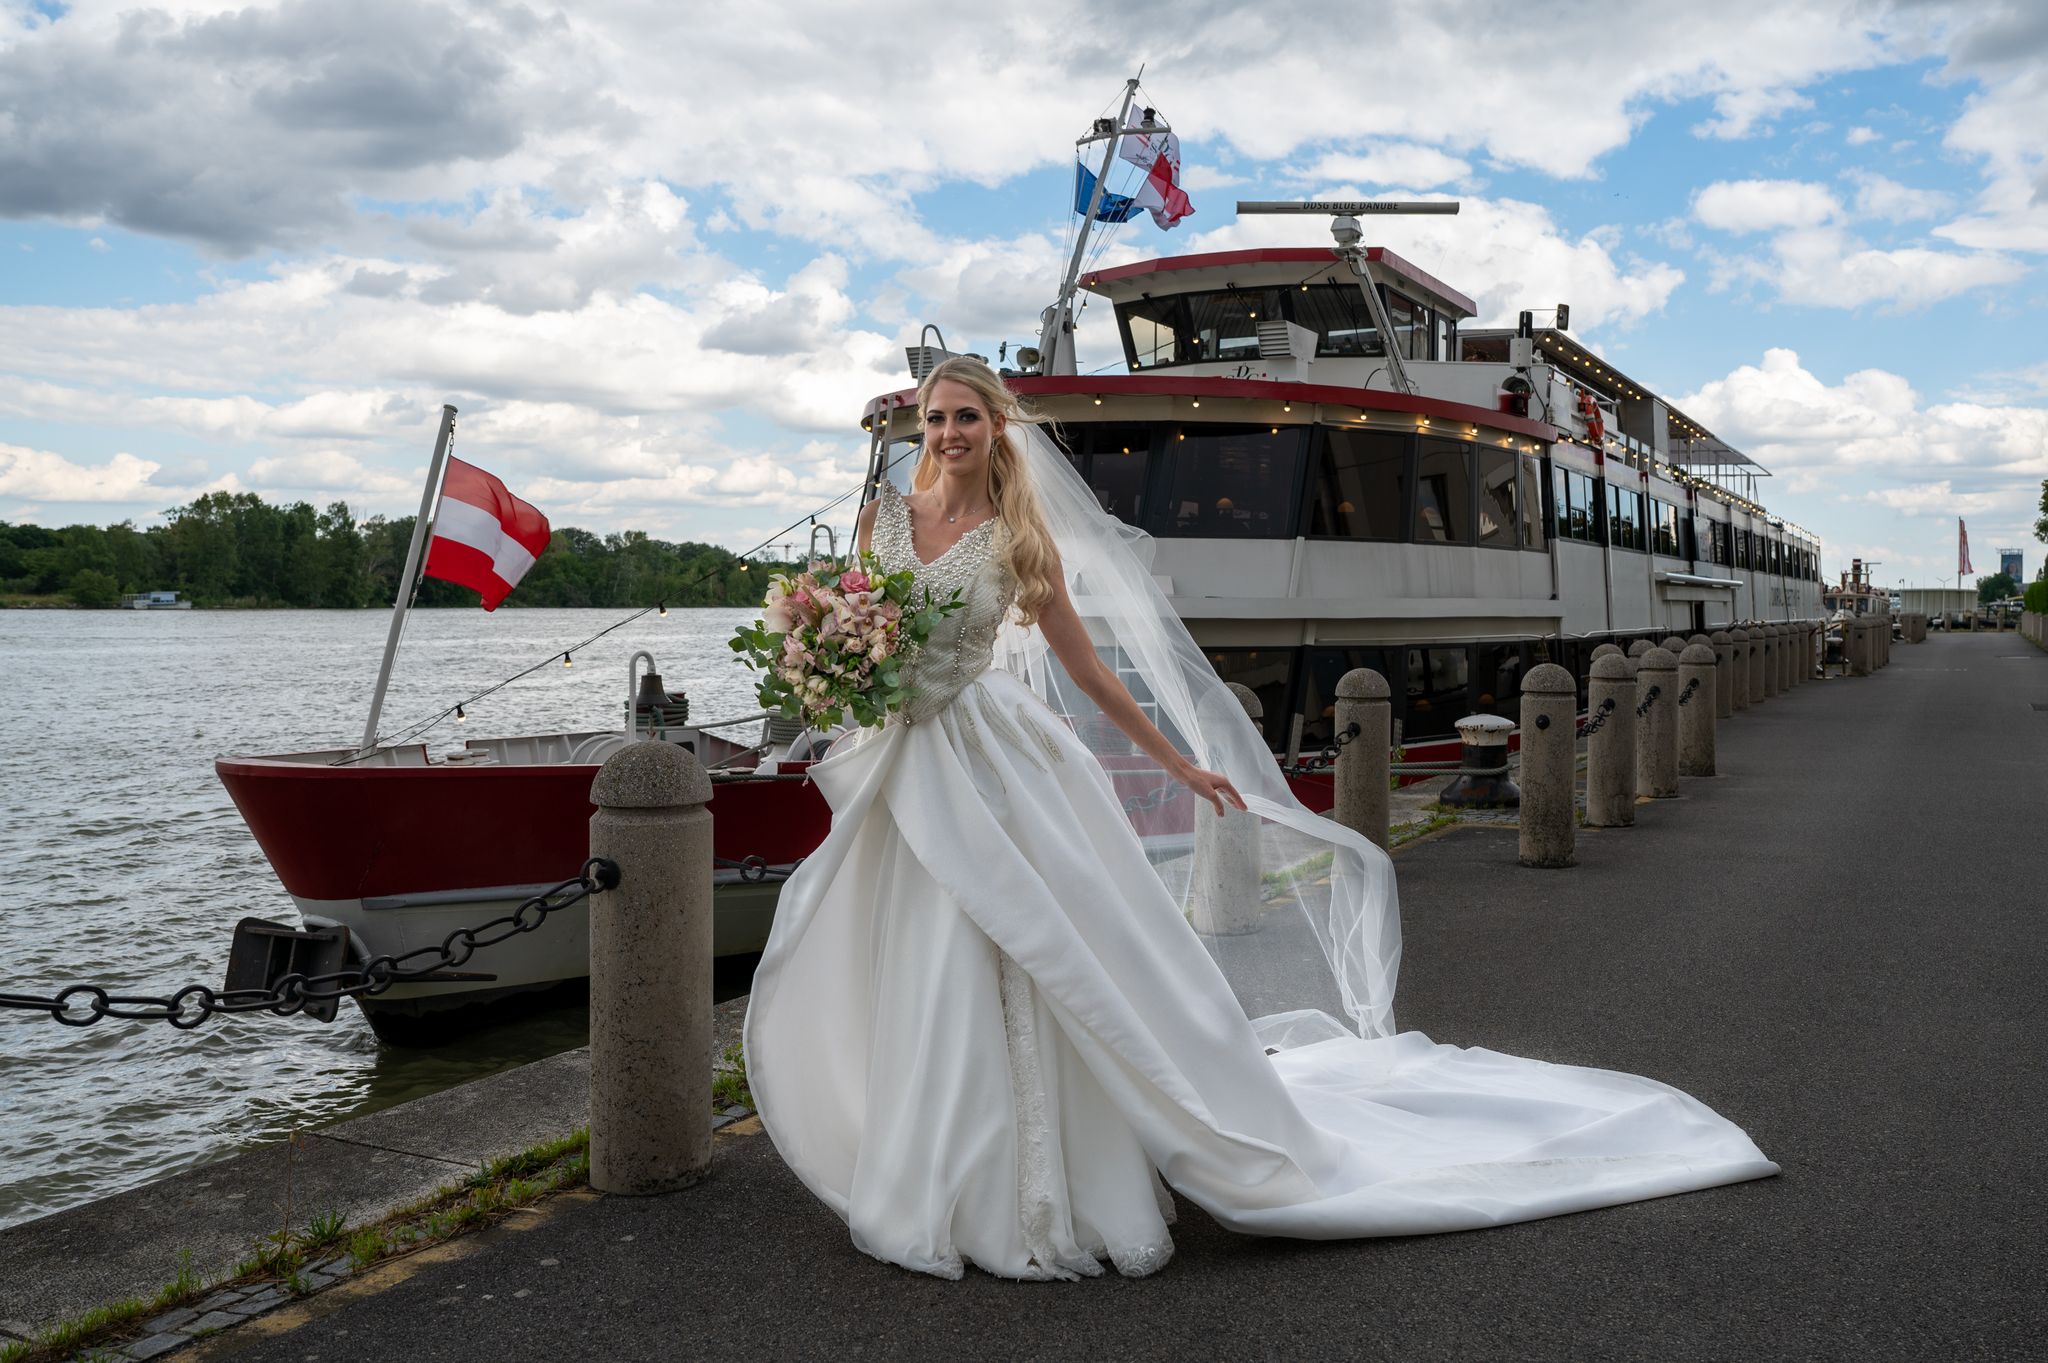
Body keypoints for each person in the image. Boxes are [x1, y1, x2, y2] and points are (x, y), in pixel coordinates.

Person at [743, 357, 1776, 1282]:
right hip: (899, 763)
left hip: (987, 760)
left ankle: (1028, 1175)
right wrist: (834, 672)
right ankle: (921, 1152)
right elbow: (858, 627)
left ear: (996, 427)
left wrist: (1179, 760)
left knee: (1013, 948)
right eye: (933, 419)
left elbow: (1087, 669)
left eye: (965, 416)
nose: (947, 435)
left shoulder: (1020, 540)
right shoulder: (884, 522)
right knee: (908, 950)